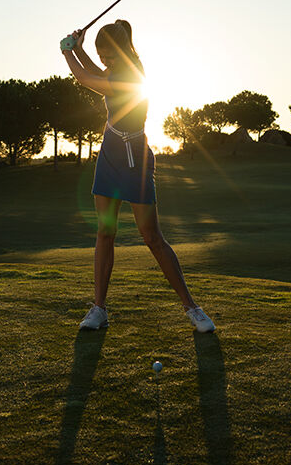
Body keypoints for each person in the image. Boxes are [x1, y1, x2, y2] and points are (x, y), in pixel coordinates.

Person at [61, 19, 215, 333]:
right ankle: (99, 309)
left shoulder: (131, 75)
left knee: (152, 237)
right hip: (110, 155)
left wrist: (67, 53)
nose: (105, 61)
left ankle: (192, 307)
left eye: (109, 56)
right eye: (102, 56)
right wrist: (78, 48)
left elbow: (86, 79)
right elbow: (95, 72)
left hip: (135, 161)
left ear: (122, 52)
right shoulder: (118, 68)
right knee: (105, 233)